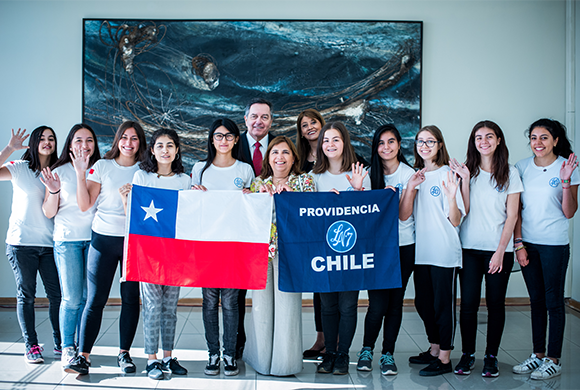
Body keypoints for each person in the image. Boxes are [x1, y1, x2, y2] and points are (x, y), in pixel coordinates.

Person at [65, 121, 146, 375]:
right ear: (117, 140)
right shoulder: (102, 166)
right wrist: (80, 174)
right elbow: (84, 204)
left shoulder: (145, 170)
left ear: (140, 143)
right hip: (103, 240)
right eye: (124, 137)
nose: (129, 143)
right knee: (95, 299)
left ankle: (124, 354)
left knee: (131, 299)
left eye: (134, 138)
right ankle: (83, 355)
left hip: (134, 243)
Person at [118, 128, 190, 380]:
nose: (165, 150)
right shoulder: (141, 177)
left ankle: (168, 356)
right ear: (152, 149)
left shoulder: (184, 180)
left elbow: (189, 217)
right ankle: (151, 360)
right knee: (151, 306)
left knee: (170, 308)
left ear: (177, 150)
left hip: (174, 254)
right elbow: (133, 218)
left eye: (170, 145)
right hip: (149, 254)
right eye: (160, 145)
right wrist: (126, 199)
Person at [453, 120, 522, 377]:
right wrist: (464, 180)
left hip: (498, 250)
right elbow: (462, 210)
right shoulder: (466, 171)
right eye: (478, 137)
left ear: (499, 140)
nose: (484, 141)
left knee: (496, 304)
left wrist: (500, 251)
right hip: (468, 249)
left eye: (489, 136)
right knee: (468, 304)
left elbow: (512, 215)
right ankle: (468, 355)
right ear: (473, 142)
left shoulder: (510, 173)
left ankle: (491, 356)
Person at [512, 118, 579, 380]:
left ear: (555, 140)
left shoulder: (567, 167)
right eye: (533, 138)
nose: (537, 143)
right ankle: (537, 355)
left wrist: (565, 182)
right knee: (536, 301)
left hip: (554, 245)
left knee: (554, 302)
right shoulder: (521, 167)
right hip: (528, 244)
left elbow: (569, 212)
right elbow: (516, 211)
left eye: (543, 137)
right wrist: (518, 244)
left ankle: (553, 359)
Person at [244, 136, 315, 376]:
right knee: (261, 309)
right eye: (275, 152)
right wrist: (251, 196)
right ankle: (261, 361)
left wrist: (292, 193)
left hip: (290, 254)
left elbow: (313, 212)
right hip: (261, 254)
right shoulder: (257, 183)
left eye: (286, 152)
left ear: (294, 157)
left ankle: (285, 365)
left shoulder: (304, 181)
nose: (280, 157)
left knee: (287, 308)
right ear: (268, 158)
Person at [399, 125, 465, 376]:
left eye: (430, 141)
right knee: (423, 303)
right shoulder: (416, 175)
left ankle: (445, 359)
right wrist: (412, 188)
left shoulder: (449, 174)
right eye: (420, 141)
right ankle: (435, 348)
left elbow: (456, 219)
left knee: (442, 306)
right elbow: (405, 217)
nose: (424, 145)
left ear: (439, 145)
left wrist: (450, 197)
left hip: (444, 253)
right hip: (422, 252)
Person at [191, 118, 254, 376]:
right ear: (212, 139)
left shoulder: (245, 169)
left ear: (237, 139)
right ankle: (212, 353)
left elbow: (252, 208)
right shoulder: (199, 169)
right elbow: (190, 207)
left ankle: (229, 354)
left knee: (230, 302)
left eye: (229, 136)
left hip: (234, 245)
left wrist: (251, 197)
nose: (224, 140)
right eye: (219, 136)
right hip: (207, 244)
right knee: (208, 301)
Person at [311, 122, 371, 375]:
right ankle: (330, 354)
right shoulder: (314, 177)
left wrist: (356, 190)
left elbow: (367, 216)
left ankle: (344, 354)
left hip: (350, 252)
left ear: (344, 143)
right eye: (326, 140)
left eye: (336, 140)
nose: (330, 145)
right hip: (323, 254)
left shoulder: (360, 172)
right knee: (327, 307)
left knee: (348, 306)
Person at [39, 124, 101, 369]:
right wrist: (54, 191)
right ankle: (67, 348)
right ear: (70, 144)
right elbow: (48, 211)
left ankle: (81, 350)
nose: (84, 145)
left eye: (89, 140)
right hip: (67, 240)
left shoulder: (101, 169)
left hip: (96, 240)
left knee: (88, 299)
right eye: (78, 140)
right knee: (72, 298)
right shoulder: (58, 171)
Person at [356, 124, 415, 376]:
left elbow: (404, 216)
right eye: (381, 143)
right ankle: (366, 349)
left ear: (399, 145)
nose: (386, 147)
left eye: (391, 142)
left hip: (403, 246)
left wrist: (403, 192)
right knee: (377, 304)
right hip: (377, 248)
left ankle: (388, 353)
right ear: (375, 147)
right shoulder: (369, 175)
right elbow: (362, 216)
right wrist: (359, 190)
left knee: (395, 304)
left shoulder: (410, 174)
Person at [1, 127, 61, 364]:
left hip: (50, 244)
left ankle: (60, 343)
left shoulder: (58, 171)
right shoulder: (19, 167)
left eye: (51, 139)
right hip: (21, 244)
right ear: (34, 142)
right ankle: (31, 345)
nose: (47, 142)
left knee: (57, 295)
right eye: (43, 138)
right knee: (26, 295)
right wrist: (9, 148)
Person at [236, 97, 274, 358]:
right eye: (254, 116)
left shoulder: (282, 146)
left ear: (271, 121)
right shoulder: (231, 143)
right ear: (246, 119)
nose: (259, 121)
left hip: (272, 229)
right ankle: (237, 341)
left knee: (270, 288)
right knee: (237, 289)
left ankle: (270, 343)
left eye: (265, 117)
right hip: (240, 226)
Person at [295, 108, 326, 359]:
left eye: (312, 122)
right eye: (304, 125)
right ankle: (321, 338)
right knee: (318, 287)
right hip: (311, 231)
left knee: (335, 286)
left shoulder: (336, 150)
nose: (309, 128)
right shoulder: (298, 158)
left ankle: (336, 339)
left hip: (335, 230)